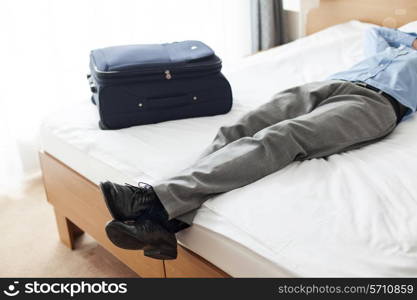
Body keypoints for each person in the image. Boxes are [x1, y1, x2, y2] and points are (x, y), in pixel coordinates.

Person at [99, 26, 417, 260]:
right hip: (331, 84)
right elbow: (374, 33)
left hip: (378, 103)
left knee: (282, 137)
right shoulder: (390, 45)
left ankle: (152, 201)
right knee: (237, 130)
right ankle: (163, 224)